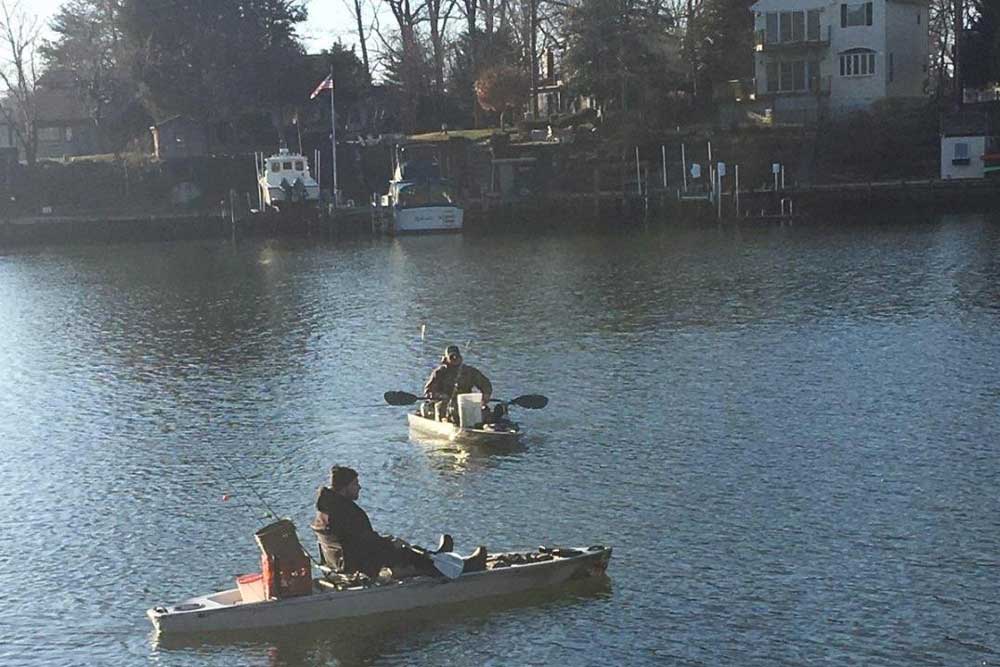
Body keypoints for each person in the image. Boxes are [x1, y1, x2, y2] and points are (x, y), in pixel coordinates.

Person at [310, 466, 485, 578]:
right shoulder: (347, 512)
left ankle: (434, 555)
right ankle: (465, 566)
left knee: (396, 546)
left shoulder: (324, 511)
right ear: (345, 487)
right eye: (356, 484)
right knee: (402, 551)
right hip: (356, 561)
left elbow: (359, 538)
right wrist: (390, 542)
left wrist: (386, 541)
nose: (359, 488)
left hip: (339, 560)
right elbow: (366, 542)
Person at [423, 344, 493, 423]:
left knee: (484, 412)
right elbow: (428, 392)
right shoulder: (439, 372)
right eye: (452, 357)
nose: (454, 359)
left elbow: (485, 384)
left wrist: (486, 395)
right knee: (441, 407)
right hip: (444, 405)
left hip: (465, 404)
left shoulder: (469, 371)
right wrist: (440, 396)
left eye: (456, 356)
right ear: (446, 359)